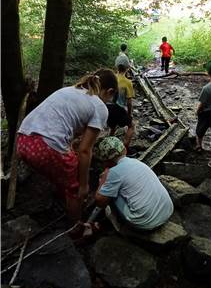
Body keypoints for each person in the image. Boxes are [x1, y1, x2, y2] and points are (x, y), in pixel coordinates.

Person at [16, 68, 118, 222]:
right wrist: (84, 184)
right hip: (45, 149)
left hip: (23, 141)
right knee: (75, 185)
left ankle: (60, 194)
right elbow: (85, 150)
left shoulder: (70, 90)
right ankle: (76, 229)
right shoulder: (100, 107)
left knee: (66, 160)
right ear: (110, 91)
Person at [95, 136, 174, 231]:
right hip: (168, 209)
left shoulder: (114, 172)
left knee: (110, 193)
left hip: (146, 222)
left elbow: (100, 202)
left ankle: (117, 223)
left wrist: (103, 180)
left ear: (106, 161)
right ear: (123, 150)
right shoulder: (136, 161)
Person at [195, 60, 211, 152]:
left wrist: (197, 112)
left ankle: (199, 146)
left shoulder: (206, 88)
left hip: (206, 114)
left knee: (200, 130)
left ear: (207, 73)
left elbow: (202, 104)